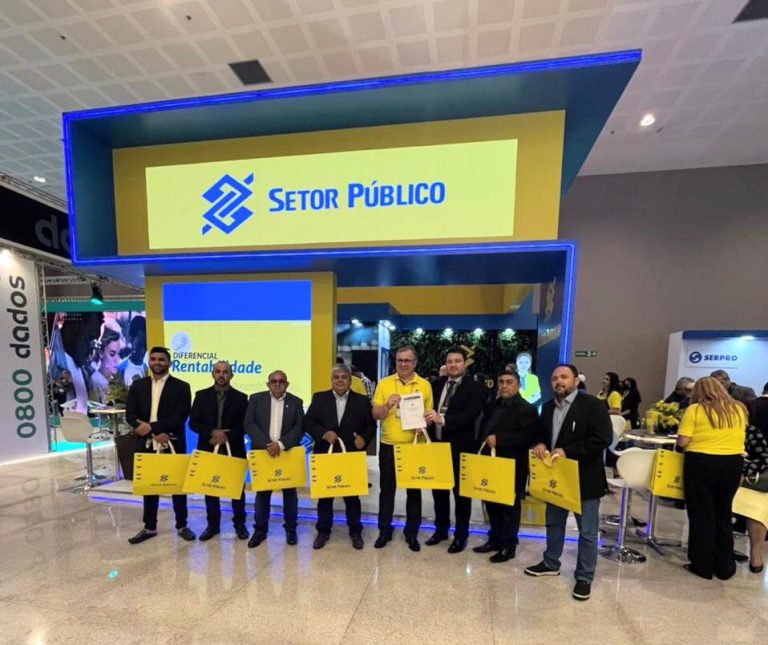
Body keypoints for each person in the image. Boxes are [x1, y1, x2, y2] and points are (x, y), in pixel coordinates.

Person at [525, 364, 612, 602]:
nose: (558, 381)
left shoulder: (593, 405)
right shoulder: (548, 407)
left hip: (585, 479)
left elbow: (602, 439)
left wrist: (568, 452)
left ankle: (584, 577)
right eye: (554, 378)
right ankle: (551, 562)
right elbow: (540, 434)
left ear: (576, 380)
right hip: (556, 478)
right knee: (554, 522)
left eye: (564, 377)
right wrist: (539, 443)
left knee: (587, 532)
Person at [677, 377, 747, 580]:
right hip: (732, 463)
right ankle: (725, 565)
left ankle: (702, 564)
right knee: (723, 513)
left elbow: (683, 441)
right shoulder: (739, 409)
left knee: (701, 513)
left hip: (701, 462)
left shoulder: (695, 410)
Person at [125, 347, 194, 544]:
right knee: (150, 487)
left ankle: (182, 525)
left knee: (177, 487)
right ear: (149, 362)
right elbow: (130, 414)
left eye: (161, 359)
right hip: (146, 443)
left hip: (171, 441)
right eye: (153, 359)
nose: (157, 362)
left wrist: (152, 428)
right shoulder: (138, 385)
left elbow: (180, 416)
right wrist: (153, 432)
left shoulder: (182, 387)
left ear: (169, 363)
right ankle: (149, 527)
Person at [305, 364, 376, 550]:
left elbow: (371, 426)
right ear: (331, 380)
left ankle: (355, 531)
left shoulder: (362, 401)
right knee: (325, 496)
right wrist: (323, 433)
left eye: (344, 377)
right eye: (336, 377)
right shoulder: (319, 398)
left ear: (350, 380)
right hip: (325, 453)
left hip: (350, 455)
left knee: (352, 497)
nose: (340, 380)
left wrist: (364, 439)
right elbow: (308, 422)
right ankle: (323, 531)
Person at [372, 345, 434, 551]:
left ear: (414, 363)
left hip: (414, 447)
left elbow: (429, 416)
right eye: (400, 360)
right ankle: (384, 530)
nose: (403, 364)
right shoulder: (384, 383)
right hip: (389, 446)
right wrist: (387, 405)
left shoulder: (424, 385)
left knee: (414, 492)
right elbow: (376, 415)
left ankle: (412, 532)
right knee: (386, 491)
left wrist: (424, 424)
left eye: (407, 360)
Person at [424, 348, 485, 553]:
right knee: (439, 492)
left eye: (457, 361)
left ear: (464, 364)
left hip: (461, 449)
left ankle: (461, 536)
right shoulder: (436, 385)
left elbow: (470, 416)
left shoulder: (475, 388)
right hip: (437, 447)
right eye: (449, 361)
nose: (453, 365)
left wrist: (442, 419)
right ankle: (441, 530)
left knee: (461, 496)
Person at [475, 369, 540, 562]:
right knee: (491, 503)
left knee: (509, 507)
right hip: (490, 463)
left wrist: (500, 440)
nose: (504, 386)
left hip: (512, 466)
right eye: (501, 382)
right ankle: (494, 539)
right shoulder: (493, 405)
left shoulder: (527, 409)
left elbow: (528, 437)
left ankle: (508, 546)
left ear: (518, 385)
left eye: (509, 382)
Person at [189, 361, 249, 542]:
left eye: (225, 372)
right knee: (210, 488)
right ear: (212, 374)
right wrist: (212, 433)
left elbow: (245, 425)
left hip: (234, 447)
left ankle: (240, 524)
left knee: (237, 489)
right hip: (208, 446)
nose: (221, 375)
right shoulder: (201, 396)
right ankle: (213, 526)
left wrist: (225, 436)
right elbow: (194, 423)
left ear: (231, 375)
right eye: (218, 371)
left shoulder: (241, 398)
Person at [244, 370, 304, 547]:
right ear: (268, 384)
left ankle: (291, 529)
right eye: (274, 381)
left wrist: (281, 444)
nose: (277, 384)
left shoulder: (296, 402)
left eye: (281, 381)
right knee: (262, 494)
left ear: (287, 384)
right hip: (263, 453)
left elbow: (299, 427)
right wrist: (267, 445)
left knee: (290, 494)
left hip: (287, 453)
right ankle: (260, 531)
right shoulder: (256, 399)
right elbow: (249, 423)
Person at [745, 383, 768, 573]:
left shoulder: (751, 406)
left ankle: (755, 555)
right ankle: (756, 556)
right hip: (761, 468)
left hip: (751, 467)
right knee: (760, 512)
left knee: (754, 510)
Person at [90, 328, 122, 403]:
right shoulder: (95, 380)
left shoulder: (116, 380)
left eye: (119, 354)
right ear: (101, 352)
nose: (117, 359)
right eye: (112, 354)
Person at [117, 315, 148, 386]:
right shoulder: (121, 369)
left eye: (145, 346)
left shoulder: (148, 369)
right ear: (131, 340)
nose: (143, 351)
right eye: (139, 345)